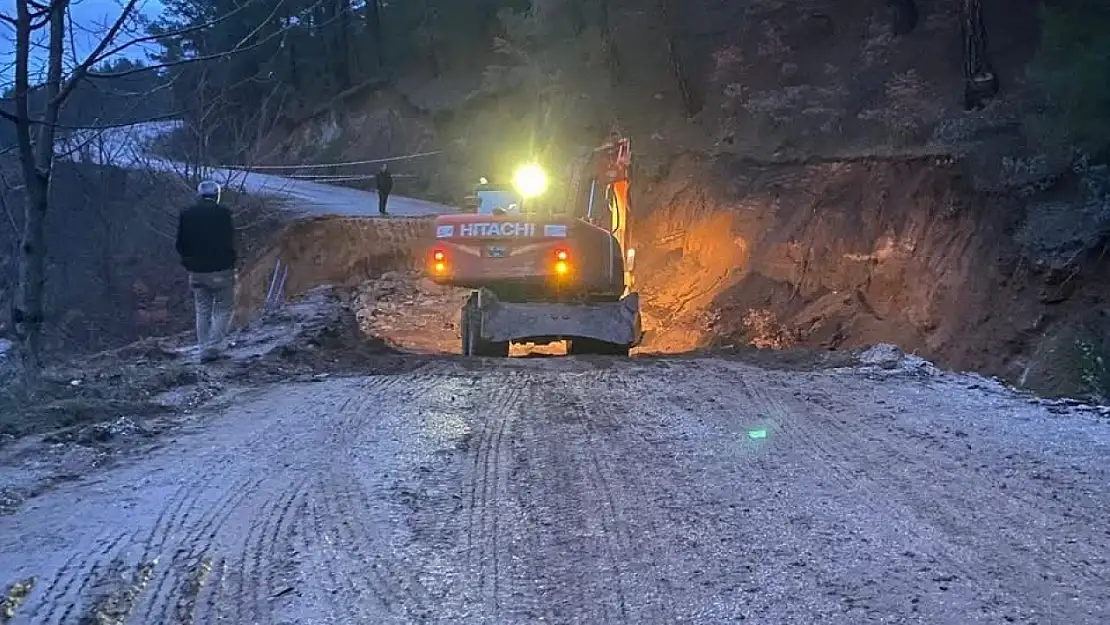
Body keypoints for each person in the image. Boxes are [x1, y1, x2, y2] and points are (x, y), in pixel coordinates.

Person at [176, 180, 237, 362]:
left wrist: (189, 261)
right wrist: (231, 261)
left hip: (196, 271)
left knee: (202, 310)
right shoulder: (224, 214)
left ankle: (203, 349)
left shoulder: (186, 214)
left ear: (199, 195)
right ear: (216, 195)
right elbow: (229, 241)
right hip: (221, 269)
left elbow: (180, 244)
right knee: (223, 308)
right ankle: (214, 346)